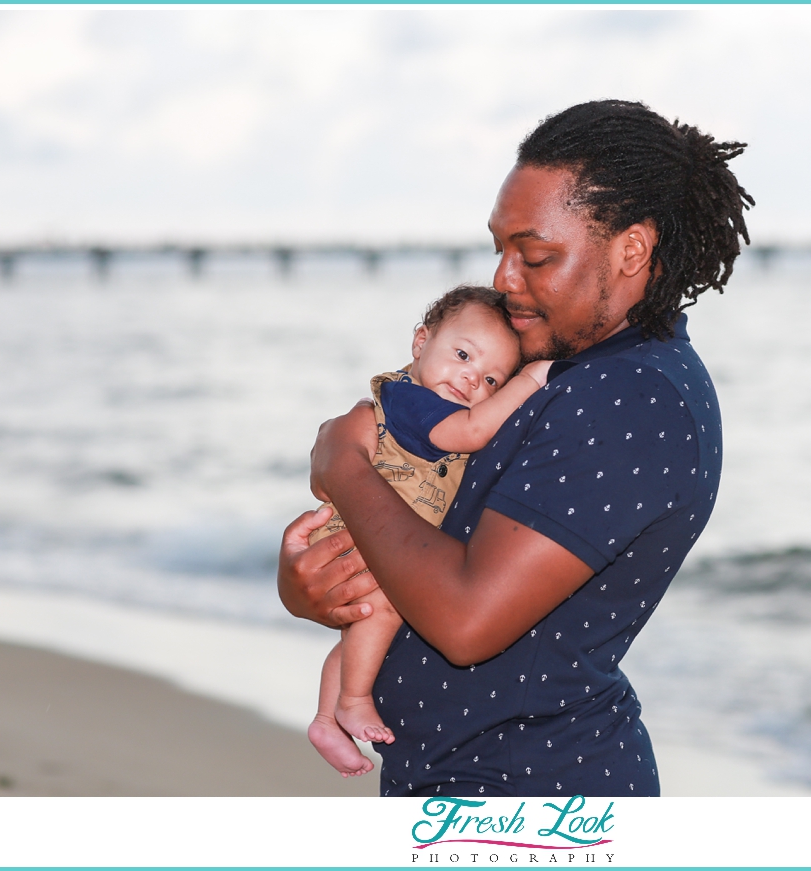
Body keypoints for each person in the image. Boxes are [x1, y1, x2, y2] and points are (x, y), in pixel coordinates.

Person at [279, 99, 753, 796]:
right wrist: (315, 583)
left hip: (535, 794)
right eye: (500, 248)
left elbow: (467, 618)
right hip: (459, 778)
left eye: (534, 255)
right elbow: (422, 532)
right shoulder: (557, 366)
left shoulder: (636, 397)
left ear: (631, 250)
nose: (503, 277)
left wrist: (341, 465)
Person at [305, 285, 552, 777]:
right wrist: (527, 382)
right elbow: (470, 433)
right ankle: (352, 700)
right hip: (356, 535)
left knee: (363, 631)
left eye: (489, 379)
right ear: (421, 342)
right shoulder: (412, 401)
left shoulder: (433, 399)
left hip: (372, 536)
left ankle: (324, 720)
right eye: (461, 355)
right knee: (386, 605)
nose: (468, 378)